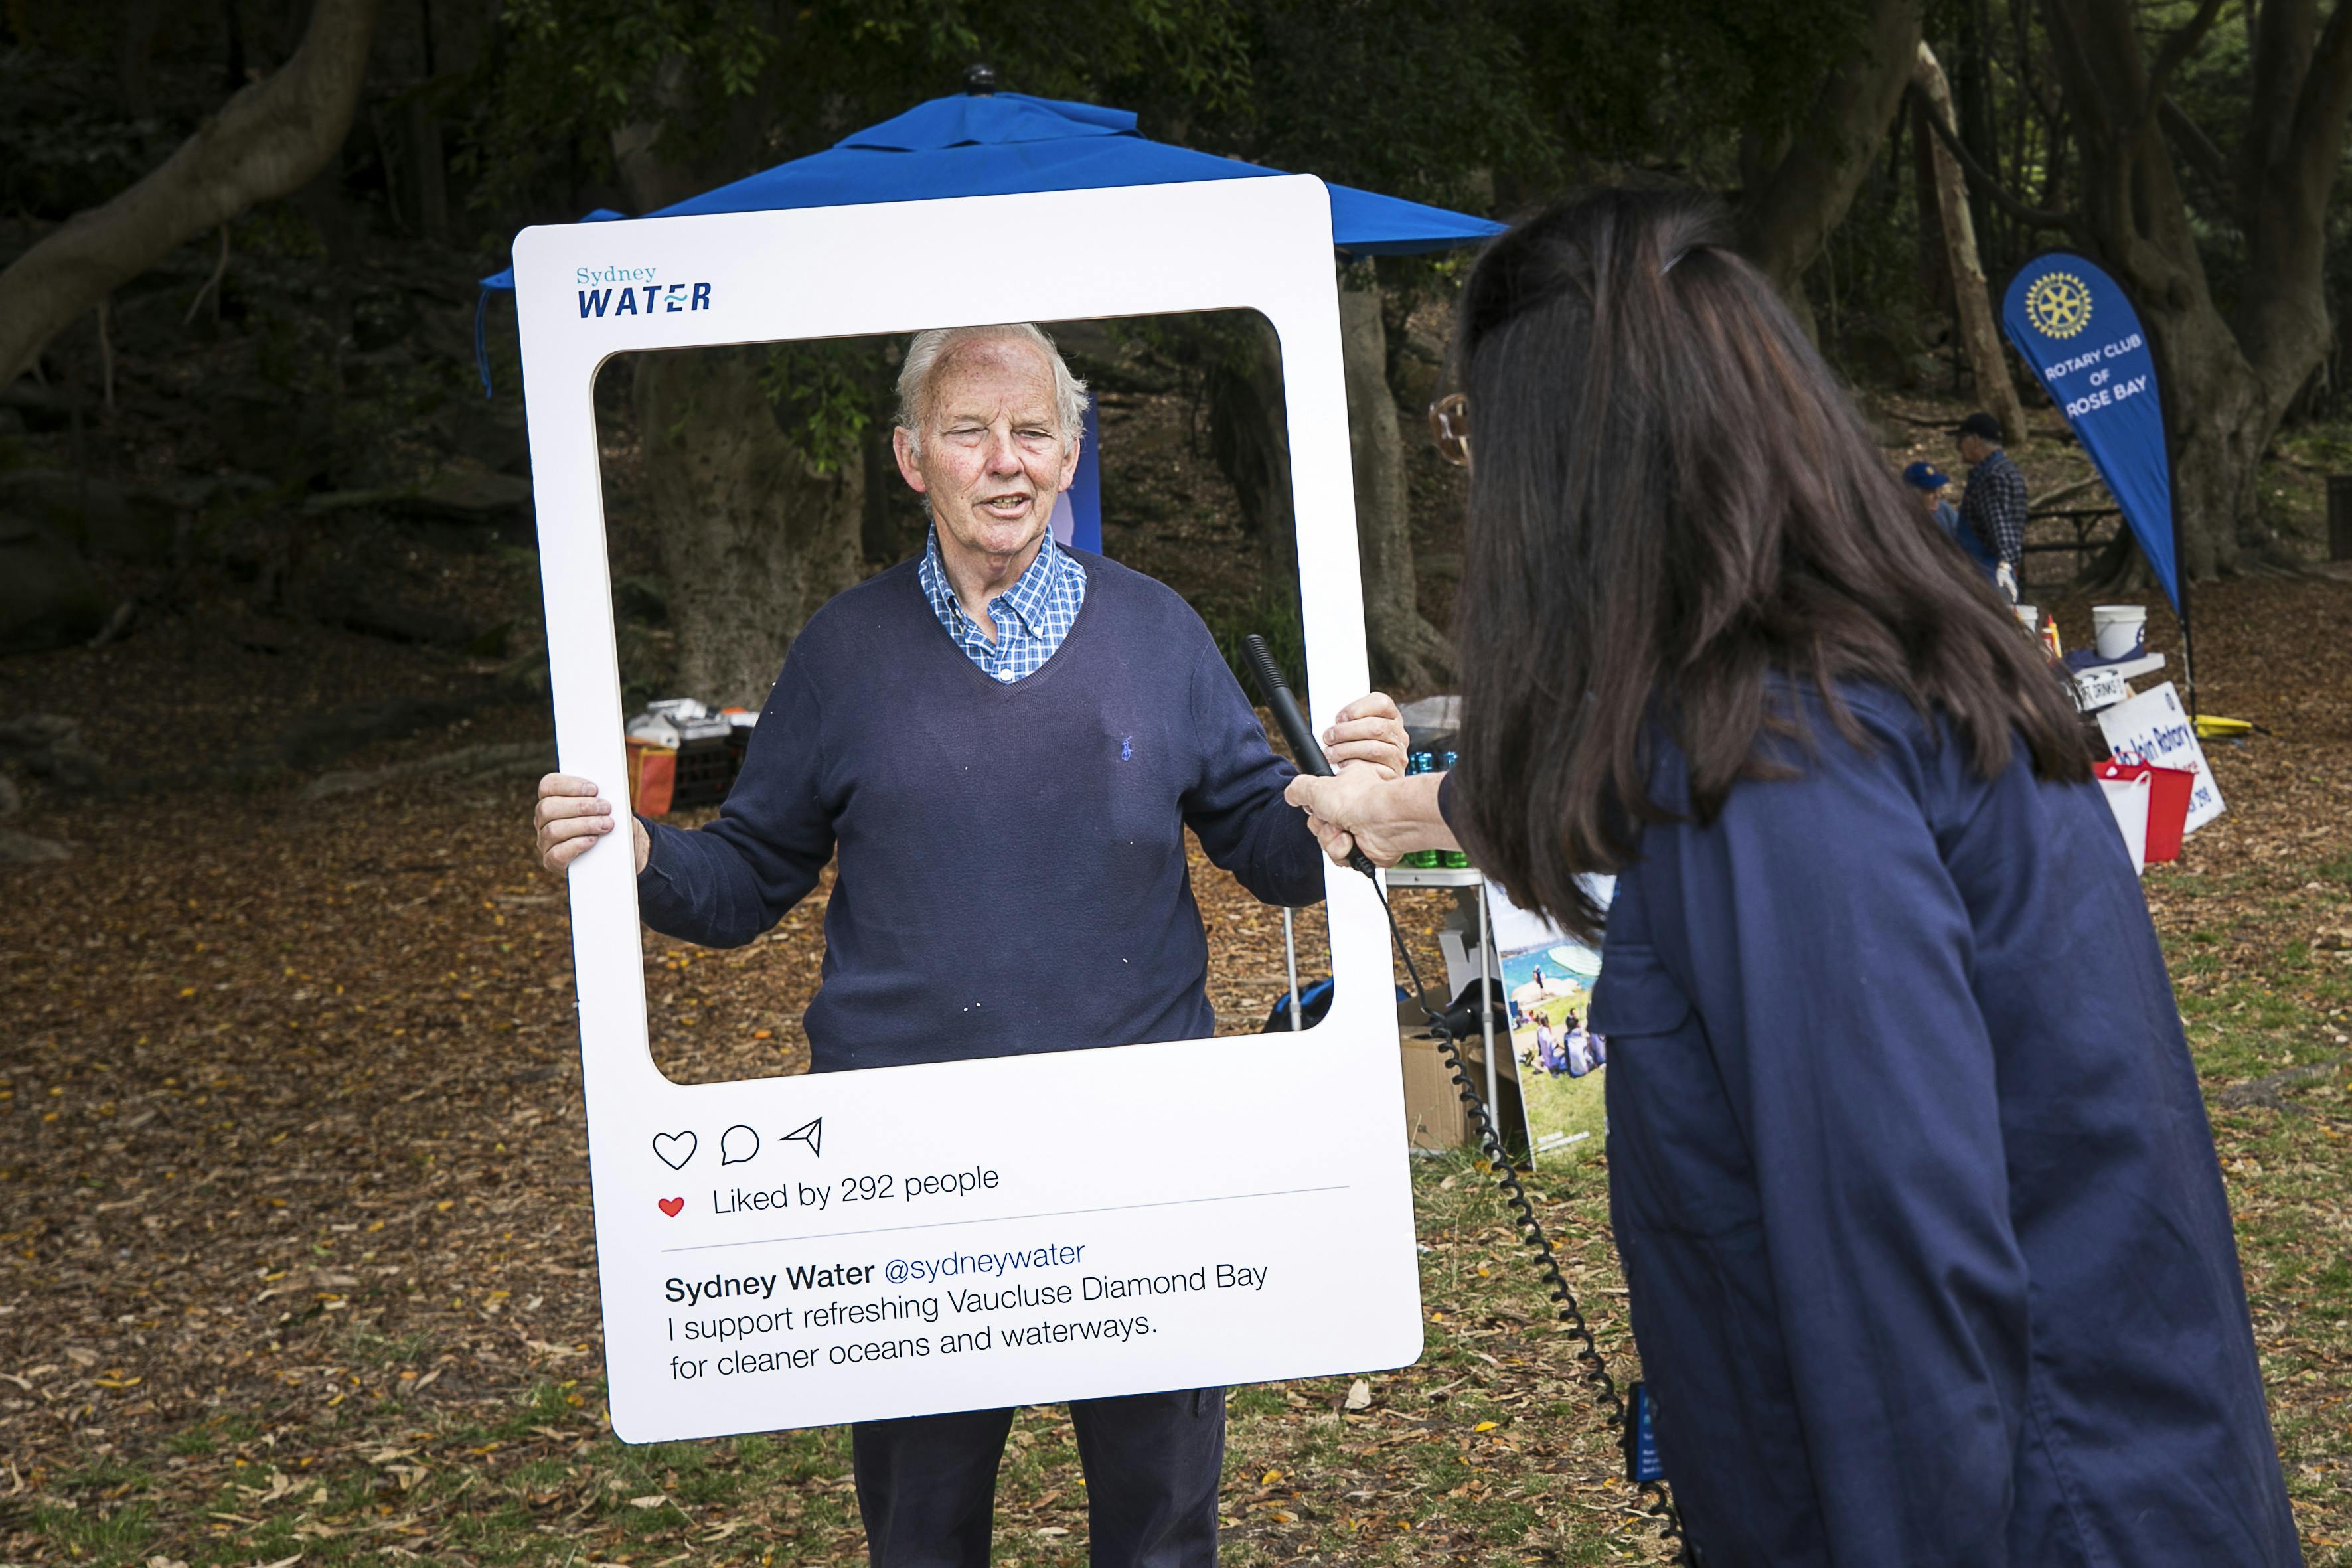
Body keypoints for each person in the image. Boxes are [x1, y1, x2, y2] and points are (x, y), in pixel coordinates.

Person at [1284, 189, 2300, 1567]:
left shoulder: (1782, 765)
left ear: (1575, 466)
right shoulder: (1839, 672)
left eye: (1475, 435)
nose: (1478, 481)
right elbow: (1622, 783)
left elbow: (1897, 1292)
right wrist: (1398, 808)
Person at [531, 321, 1410, 1568]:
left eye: (1033, 432)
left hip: (1141, 1148)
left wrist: (1345, 800)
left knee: (1161, 1524)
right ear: (910, 457)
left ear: (1069, 455)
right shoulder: (844, 651)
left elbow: (1263, 849)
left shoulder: (1158, 633)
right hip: (910, 1167)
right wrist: (634, 854)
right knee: (923, 1526)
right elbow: (743, 881)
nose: (1004, 462)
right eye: (968, 432)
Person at [1955, 410, 2029, 602]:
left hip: (1986, 574)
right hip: (1990, 571)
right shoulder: (2007, 469)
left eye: (1961, 440)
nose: (1958, 447)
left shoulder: (1990, 477)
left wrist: (2004, 566)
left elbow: (2003, 529)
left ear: (1976, 441)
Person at [1904, 459, 1998, 580]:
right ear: (1911, 494)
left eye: (1937, 489)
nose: (1937, 495)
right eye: (1929, 491)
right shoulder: (1902, 519)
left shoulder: (1944, 511)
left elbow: (1964, 543)